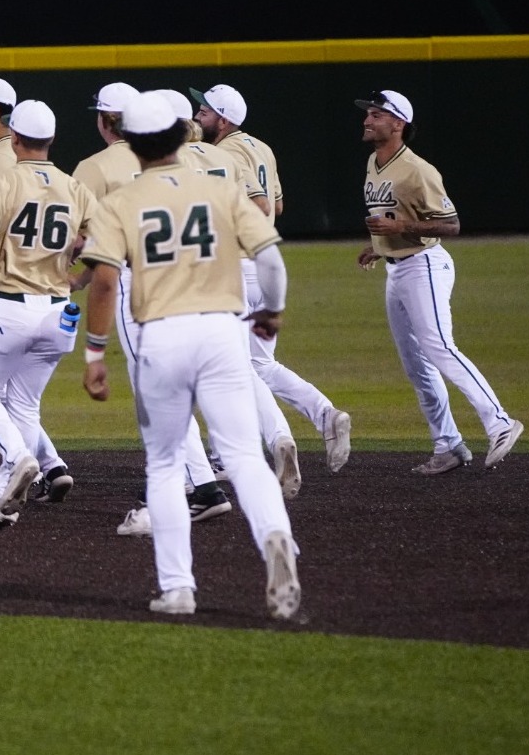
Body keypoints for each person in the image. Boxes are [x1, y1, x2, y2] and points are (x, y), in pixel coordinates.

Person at [78, 91, 301, 620]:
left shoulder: (120, 202)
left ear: (130, 141)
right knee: (245, 457)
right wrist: (271, 311)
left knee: (164, 463)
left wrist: (94, 353)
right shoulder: (217, 187)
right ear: (183, 135)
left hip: (161, 339)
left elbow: (104, 283)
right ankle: (276, 541)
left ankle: (178, 587)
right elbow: (269, 256)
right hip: (222, 333)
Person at [74, 81, 233, 532]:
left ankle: (194, 488)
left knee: (155, 392)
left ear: (106, 121)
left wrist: (79, 268)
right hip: (186, 282)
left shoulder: (95, 166)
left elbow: (84, 237)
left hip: (130, 285)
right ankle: (199, 484)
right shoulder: (179, 160)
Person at [356, 90, 524, 473]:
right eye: (367, 114)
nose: (367, 120)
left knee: (440, 348)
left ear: (398, 124)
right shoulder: (374, 161)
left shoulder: (418, 170)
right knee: (416, 365)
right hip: (396, 269)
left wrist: (402, 228)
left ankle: (499, 421)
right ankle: (448, 445)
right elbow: (392, 215)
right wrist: (379, 244)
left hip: (424, 267)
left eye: (376, 115)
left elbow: (452, 225)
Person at [194, 83, 352, 475]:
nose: (199, 115)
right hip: (263, 268)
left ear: (223, 119)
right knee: (259, 365)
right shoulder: (262, 148)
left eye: (205, 111)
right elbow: (276, 205)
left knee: (227, 367)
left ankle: (253, 446)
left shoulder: (222, 152)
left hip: (237, 269)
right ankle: (325, 414)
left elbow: (260, 204)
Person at [0, 100, 91, 527]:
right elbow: (106, 249)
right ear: (51, 140)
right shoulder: (75, 188)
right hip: (59, 311)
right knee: (25, 405)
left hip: (10, 305)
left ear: (14, 137)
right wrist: (76, 278)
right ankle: (2, 504)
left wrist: (3, 243)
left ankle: (19, 459)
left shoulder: (0, 181)